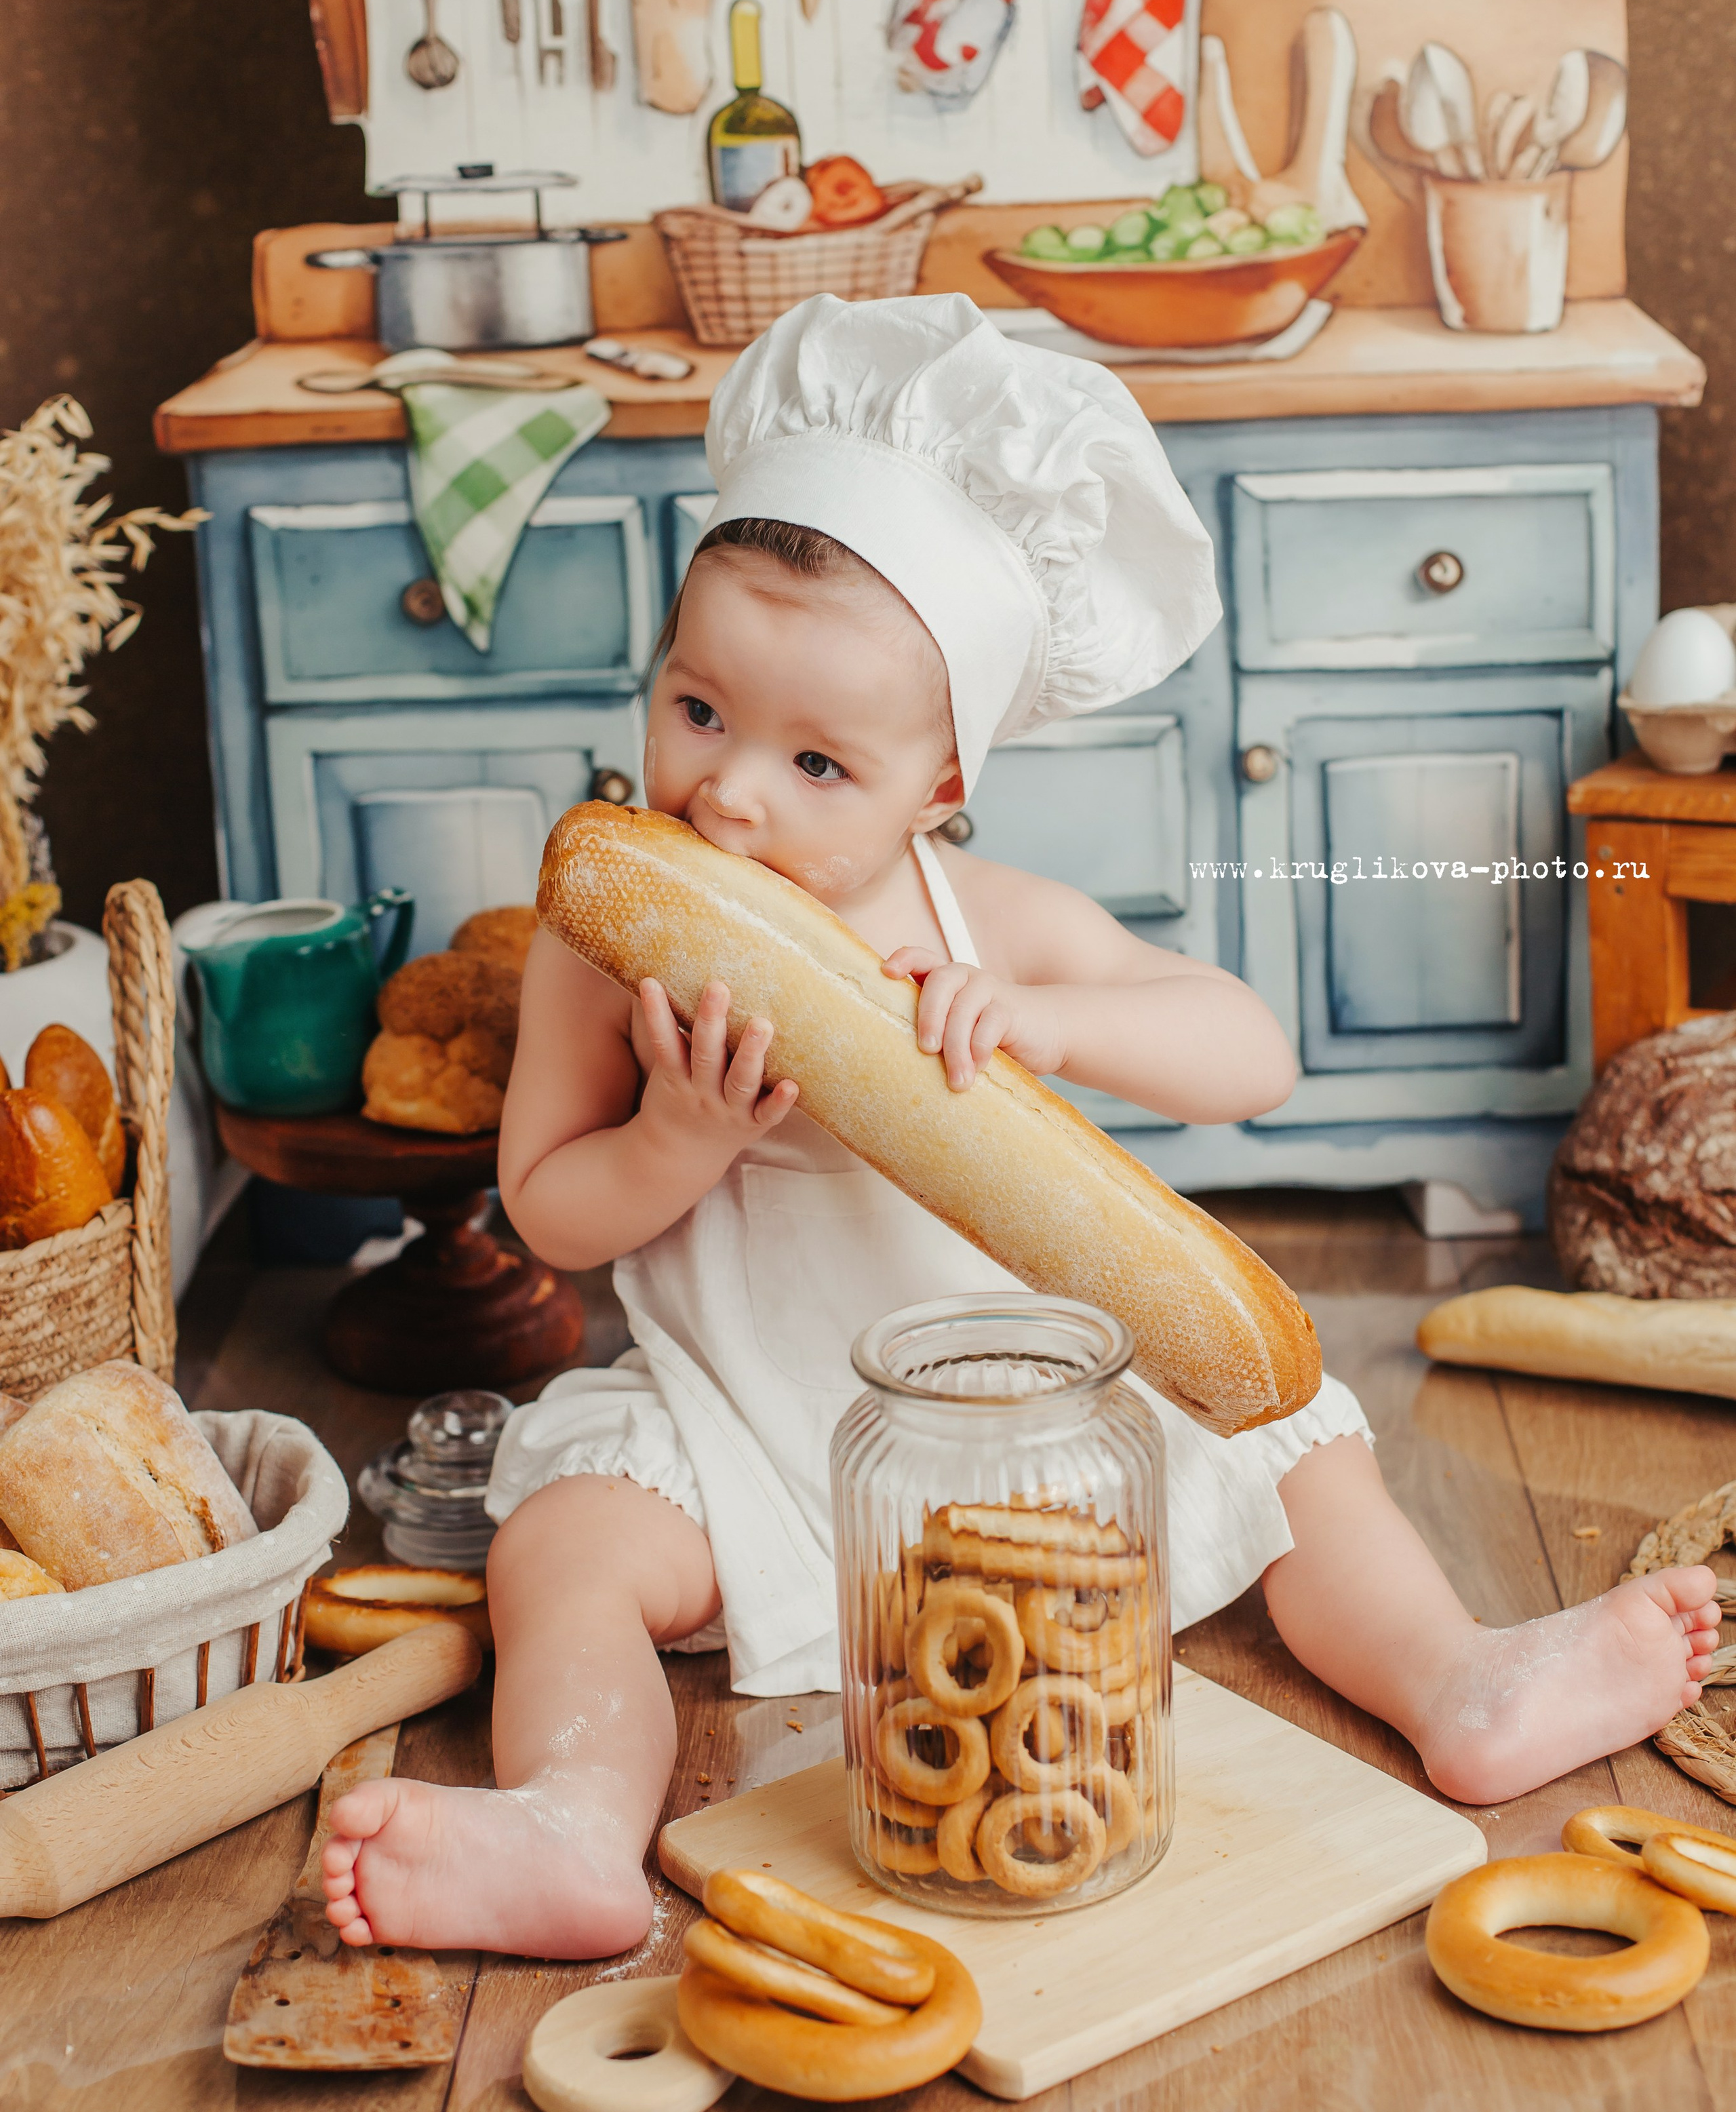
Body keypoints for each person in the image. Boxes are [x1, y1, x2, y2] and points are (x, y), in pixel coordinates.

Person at [322, 296, 1719, 1959]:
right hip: (748, 1429)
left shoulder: (983, 917)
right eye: (698, 712)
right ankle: (568, 1820)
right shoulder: (599, 936)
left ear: (939, 789)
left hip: (1043, 1412)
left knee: (1295, 1444)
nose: (731, 794)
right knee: (558, 1546)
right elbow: (549, 1209)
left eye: (819, 761)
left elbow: (1247, 1052)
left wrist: (1047, 1024)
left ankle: (1456, 1681)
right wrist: (676, 1139)